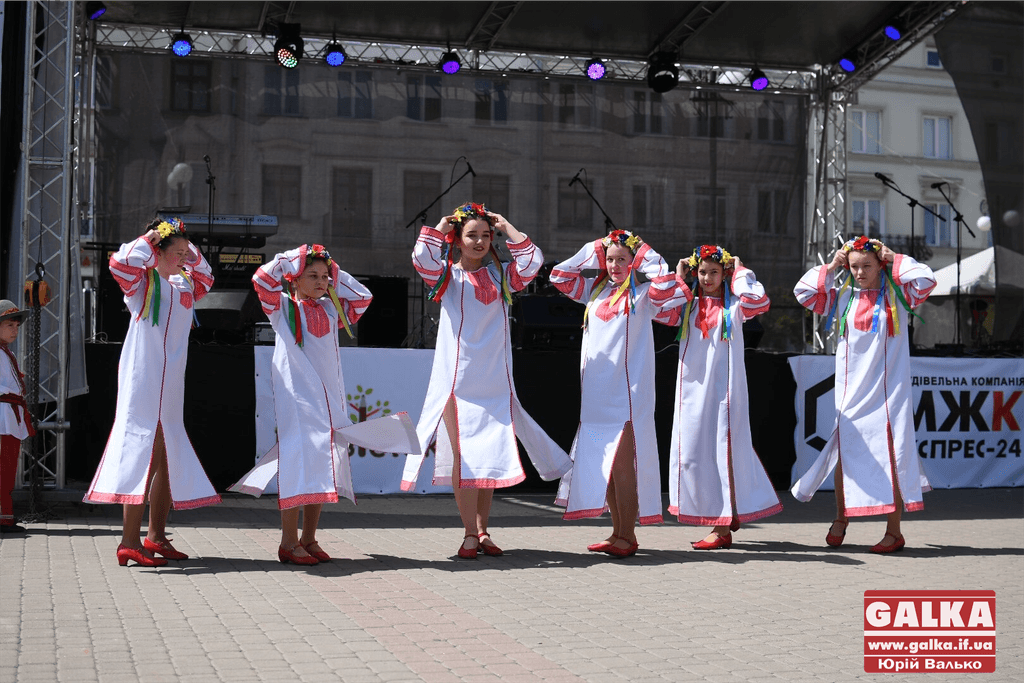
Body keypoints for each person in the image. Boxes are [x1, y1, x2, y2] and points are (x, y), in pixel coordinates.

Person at [231, 245, 420, 565]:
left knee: (322, 464)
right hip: (297, 398)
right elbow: (261, 279)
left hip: (329, 398)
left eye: (325, 277)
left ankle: (309, 538)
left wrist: (334, 271)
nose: (321, 282)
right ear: (294, 279)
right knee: (297, 464)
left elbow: (363, 297)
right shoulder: (282, 307)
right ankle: (288, 542)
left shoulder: (332, 309)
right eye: (313, 276)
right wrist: (295, 258)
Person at [401, 203, 571, 558]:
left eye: (485, 235)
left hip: (494, 382)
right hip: (457, 382)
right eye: (471, 235)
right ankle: (468, 533)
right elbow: (421, 257)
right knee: (465, 456)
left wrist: (507, 227)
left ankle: (482, 530)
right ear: (457, 240)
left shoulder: (502, 276)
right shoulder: (446, 277)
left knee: (488, 456)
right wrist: (442, 225)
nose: (479, 242)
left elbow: (532, 262)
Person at [85, 218, 220, 567]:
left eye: (186, 253)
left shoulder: (185, 284)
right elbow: (120, 261)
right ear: (157, 251)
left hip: (172, 379)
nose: (184, 258)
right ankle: (129, 541)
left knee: (168, 451)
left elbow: (207, 276)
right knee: (144, 449)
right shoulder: (140, 281)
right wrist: (152, 236)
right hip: (144, 374)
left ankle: (156, 536)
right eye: (177, 252)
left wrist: (184, 245)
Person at [792, 236, 936, 553]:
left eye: (867, 266)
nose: (859, 273)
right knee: (845, 452)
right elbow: (803, 292)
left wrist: (895, 257)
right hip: (851, 391)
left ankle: (894, 532)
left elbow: (926, 279)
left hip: (889, 390)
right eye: (854, 266)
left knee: (893, 454)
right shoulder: (842, 296)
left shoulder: (900, 294)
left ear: (880, 265)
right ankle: (841, 518)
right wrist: (833, 265)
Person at [549, 231, 686, 557]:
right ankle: (616, 533)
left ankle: (628, 535)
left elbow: (666, 283)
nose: (614, 265)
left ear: (634, 262)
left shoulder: (645, 295)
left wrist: (641, 249)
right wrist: (596, 247)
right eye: (609, 259)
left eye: (622, 259)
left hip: (626, 396)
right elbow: (559, 275)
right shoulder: (593, 292)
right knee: (607, 468)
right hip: (595, 396)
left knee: (624, 468)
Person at [669, 245, 781, 550]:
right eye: (702, 272)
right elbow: (662, 308)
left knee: (722, 450)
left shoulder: (736, 307)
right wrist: (679, 276)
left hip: (724, 391)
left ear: (725, 273)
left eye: (714, 272)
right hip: (692, 391)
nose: (707, 278)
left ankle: (721, 526)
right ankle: (729, 511)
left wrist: (741, 271)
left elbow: (759, 300)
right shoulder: (687, 304)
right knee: (694, 453)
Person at [0, 301, 33, 534]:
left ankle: (5, 516)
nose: (15, 330)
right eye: (9, 325)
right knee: (3, 466)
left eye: (17, 326)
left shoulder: (6, 352)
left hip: (9, 415)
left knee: (8, 466)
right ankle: (3, 518)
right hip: (2, 416)